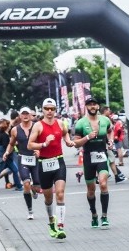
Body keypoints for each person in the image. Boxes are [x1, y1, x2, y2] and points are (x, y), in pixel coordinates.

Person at [28, 97, 76, 239]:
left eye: (52, 109)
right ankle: (51, 221)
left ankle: (61, 226)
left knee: (60, 193)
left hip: (58, 162)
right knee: (48, 198)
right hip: (44, 163)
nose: (49, 111)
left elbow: (65, 133)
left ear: (55, 110)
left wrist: (68, 142)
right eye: (47, 109)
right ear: (42, 110)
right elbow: (30, 145)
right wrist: (43, 145)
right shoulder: (38, 126)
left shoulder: (61, 123)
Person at [73, 97, 115, 228]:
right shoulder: (80, 123)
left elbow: (110, 131)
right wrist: (87, 137)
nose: (92, 106)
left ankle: (104, 216)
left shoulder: (105, 120)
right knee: (91, 189)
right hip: (88, 158)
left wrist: (110, 141)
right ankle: (94, 215)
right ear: (86, 107)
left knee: (103, 184)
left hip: (102, 156)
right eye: (89, 104)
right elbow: (75, 143)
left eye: (94, 104)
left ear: (98, 106)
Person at [4, 107, 42, 220]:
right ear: (20, 116)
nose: (25, 116)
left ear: (31, 115)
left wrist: (39, 150)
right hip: (23, 159)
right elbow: (11, 144)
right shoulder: (15, 130)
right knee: (26, 183)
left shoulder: (37, 127)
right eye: (23, 114)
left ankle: (34, 189)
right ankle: (30, 211)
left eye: (27, 114)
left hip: (35, 159)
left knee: (37, 186)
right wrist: (6, 152)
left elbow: (42, 141)